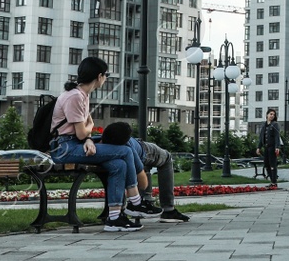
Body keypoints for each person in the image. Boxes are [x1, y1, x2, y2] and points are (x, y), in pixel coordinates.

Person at [48, 57, 144, 231]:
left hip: (75, 144)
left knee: (118, 164)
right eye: (106, 74)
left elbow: (84, 132)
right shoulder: (75, 97)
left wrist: (89, 139)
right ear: (99, 76)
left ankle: (114, 218)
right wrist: (89, 130)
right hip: (64, 149)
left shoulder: (83, 95)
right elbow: (82, 130)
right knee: (125, 151)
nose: (106, 78)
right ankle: (136, 201)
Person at [124, 131, 191, 223]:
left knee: (140, 162)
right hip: (138, 147)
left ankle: (140, 203)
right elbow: (140, 172)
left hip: (129, 146)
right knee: (166, 158)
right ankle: (168, 210)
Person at [259, 109, 282, 185]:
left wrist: (277, 147)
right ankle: (271, 180)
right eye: (271, 114)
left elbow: (277, 136)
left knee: (272, 164)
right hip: (266, 147)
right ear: (267, 115)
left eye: (273, 114)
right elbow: (261, 136)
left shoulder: (275, 124)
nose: (272, 116)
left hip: (272, 147)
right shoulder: (264, 125)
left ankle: (274, 181)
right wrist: (259, 147)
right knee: (266, 164)